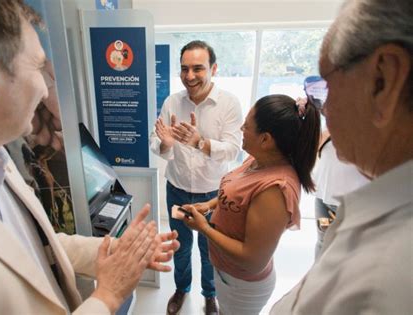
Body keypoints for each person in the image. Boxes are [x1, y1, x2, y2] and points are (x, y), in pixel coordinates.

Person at [0, 1, 179, 314]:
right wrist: (107, 296)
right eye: (39, 67)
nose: (45, 87)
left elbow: (37, 245)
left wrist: (112, 251)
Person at [270, 0, 413, 313]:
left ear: (382, 81)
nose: (327, 109)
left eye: (330, 85)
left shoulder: (388, 280)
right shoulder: (379, 211)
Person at [182, 94, 321, 314]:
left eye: (246, 126)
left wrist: (204, 228)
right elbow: (237, 192)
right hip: (226, 272)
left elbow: (252, 260)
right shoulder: (258, 159)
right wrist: (209, 205)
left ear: (266, 139)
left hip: (241, 284)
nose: (240, 129)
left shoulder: (275, 190)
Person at [150, 40, 243, 315]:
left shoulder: (228, 103)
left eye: (198, 69)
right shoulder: (172, 102)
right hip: (177, 189)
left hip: (212, 195)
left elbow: (234, 151)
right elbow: (158, 144)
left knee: (209, 250)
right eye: (184, 69)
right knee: (179, 246)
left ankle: (210, 294)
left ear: (213, 68)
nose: (190, 76)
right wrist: (165, 143)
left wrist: (200, 142)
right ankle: (181, 289)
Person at [313, 130, 369, 258]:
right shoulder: (331, 129)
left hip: (352, 204)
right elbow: (317, 153)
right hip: (324, 200)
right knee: (323, 243)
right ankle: (319, 277)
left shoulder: (371, 133)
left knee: (350, 249)